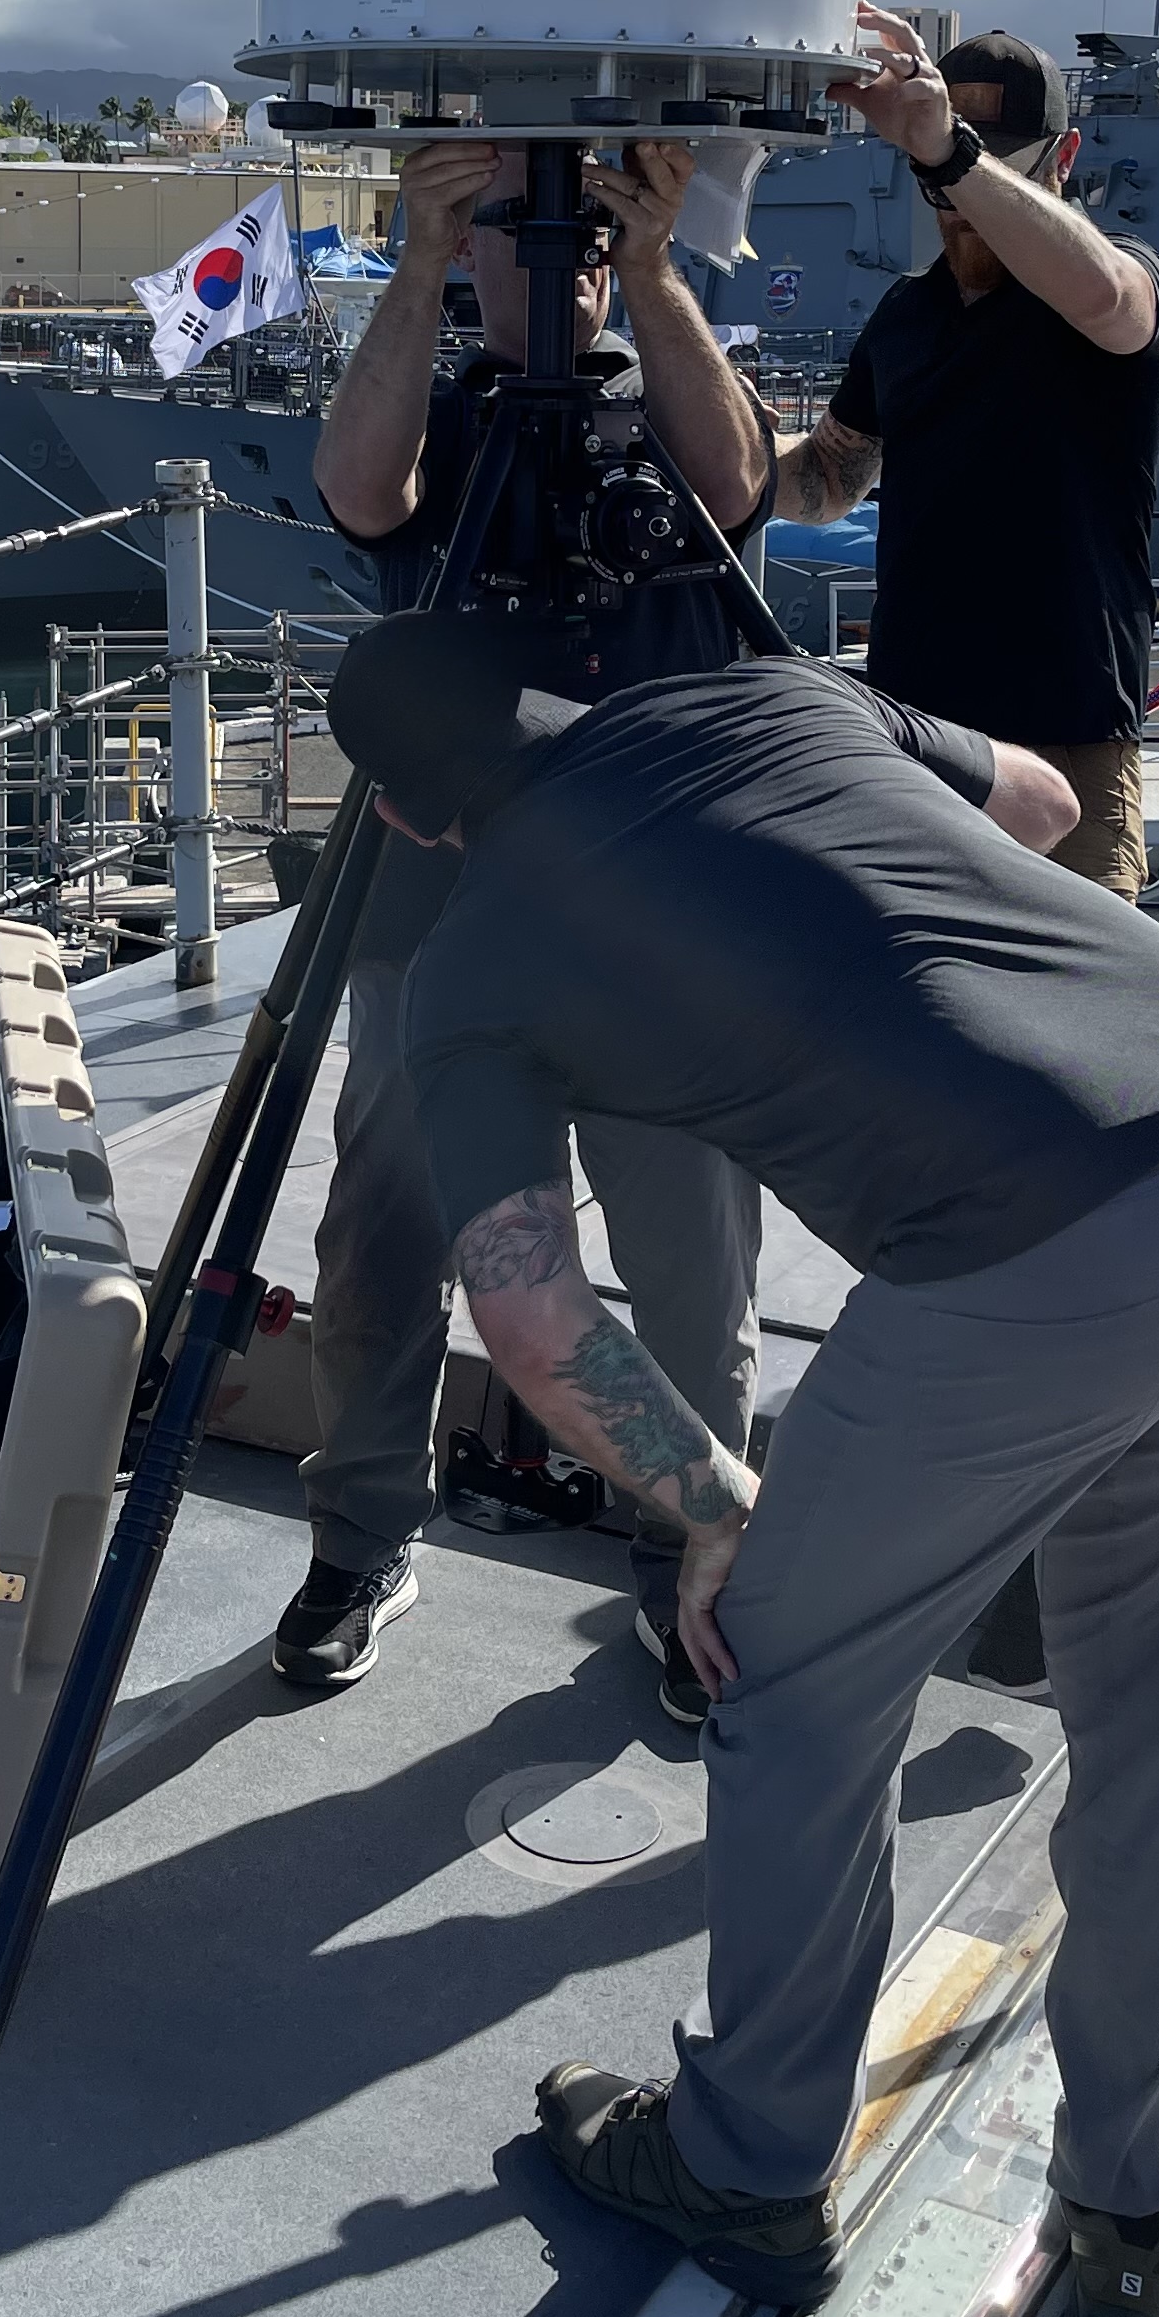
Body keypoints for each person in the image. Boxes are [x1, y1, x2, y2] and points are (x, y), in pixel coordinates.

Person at [324, 615, 1159, 2317]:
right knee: (1153, 1720)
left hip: (1030, 1257)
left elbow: (528, 1310)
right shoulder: (762, 689)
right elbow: (1026, 800)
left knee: (781, 1678)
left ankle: (743, 2165)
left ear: (406, 820)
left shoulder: (471, 962)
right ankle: (1132, 2216)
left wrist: (721, 1510)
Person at [289, 134, 778, 1717]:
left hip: (660, 926)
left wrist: (650, 274)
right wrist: (421, 258)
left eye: (579, 239)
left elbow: (744, 486)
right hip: (437, 919)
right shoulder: (435, 416)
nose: (552, 259)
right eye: (520, 232)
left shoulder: (667, 404)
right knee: (381, 1245)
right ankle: (363, 1538)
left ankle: (687, 1564)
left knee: (692, 1275)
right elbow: (361, 493)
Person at [772, 10, 1159, 903]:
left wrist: (949, 148)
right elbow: (827, 479)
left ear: (1062, 157)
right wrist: (719, 453)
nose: (952, 185)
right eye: (937, 158)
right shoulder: (906, 317)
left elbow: (1106, 296)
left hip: (1069, 748)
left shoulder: (1122, 280)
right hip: (918, 742)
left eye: (992, 154)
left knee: (1086, 1024)